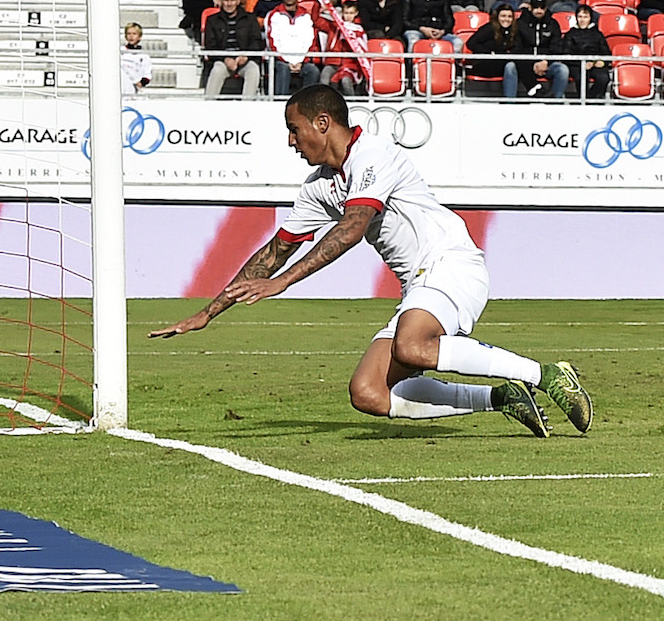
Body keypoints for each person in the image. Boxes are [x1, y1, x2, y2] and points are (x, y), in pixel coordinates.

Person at [151, 85, 593, 437]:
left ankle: (547, 374)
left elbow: (353, 227)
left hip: (451, 263)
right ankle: (501, 399)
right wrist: (208, 313)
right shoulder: (317, 186)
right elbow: (273, 251)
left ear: (322, 123)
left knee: (411, 347)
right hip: (419, 285)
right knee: (368, 393)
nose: (291, 141)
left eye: (294, 128)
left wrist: (283, 283)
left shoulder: (374, 155)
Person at [202, 0, 266, 97]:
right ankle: (208, 105)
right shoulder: (212, 20)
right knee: (217, 70)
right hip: (222, 61)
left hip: (245, 60)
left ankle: (247, 106)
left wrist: (245, 56)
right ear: (221, 1)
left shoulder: (250, 19)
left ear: (238, 1)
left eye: (232, 0)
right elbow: (210, 46)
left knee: (253, 70)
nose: (229, 4)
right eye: (226, 0)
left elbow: (257, 41)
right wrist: (225, 59)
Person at [120, 23, 153, 97]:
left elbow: (147, 73)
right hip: (121, 88)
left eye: (134, 34)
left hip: (134, 90)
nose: (131, 36)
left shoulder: (144, 55)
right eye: (129, 34)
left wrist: (141, 83)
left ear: (139, 37)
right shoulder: (121, 52)